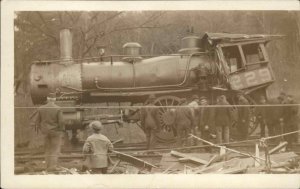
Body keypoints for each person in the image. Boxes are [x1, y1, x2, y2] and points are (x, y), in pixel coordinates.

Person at [35, 93, 65, 172]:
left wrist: (42, 130)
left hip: (45, 132)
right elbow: (61, 122)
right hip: (55, 132)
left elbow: (37, 122)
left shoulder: (41, 108)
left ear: (48, 99)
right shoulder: (58, 108)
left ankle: (47, 167)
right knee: (55, 150)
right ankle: (53, 167)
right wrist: (61, 130)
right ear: (54, 99)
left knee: (47, 149)